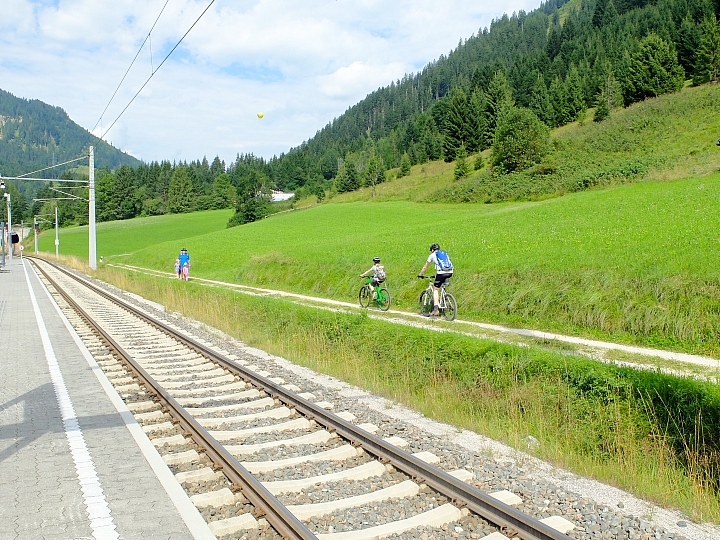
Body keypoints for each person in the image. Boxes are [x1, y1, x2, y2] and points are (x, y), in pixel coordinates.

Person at [418, 243, 453, 316]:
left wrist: (420, 274)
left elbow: (425, 267)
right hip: (450, 272)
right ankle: (445, 298)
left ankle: (436, 309)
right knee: (441, 284)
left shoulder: (432, 255)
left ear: (432, 250)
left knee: (436, 289)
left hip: (441, 273)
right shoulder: (444, 253)